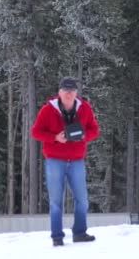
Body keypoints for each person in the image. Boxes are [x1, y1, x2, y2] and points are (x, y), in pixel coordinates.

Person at [31, 77, 100, 247]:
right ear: (59, 92)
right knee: (55, 201)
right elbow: (36, 132)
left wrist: (85, 135)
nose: (69, 94)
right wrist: (54, 138)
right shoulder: (48, 110)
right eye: (65, 91)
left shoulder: (85, 108)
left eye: (72, 91)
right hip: (55, 160)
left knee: (82, 200)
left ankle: (80, 232)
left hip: (76, 160)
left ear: (76, 93)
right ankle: (57, 236)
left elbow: (95, 130)